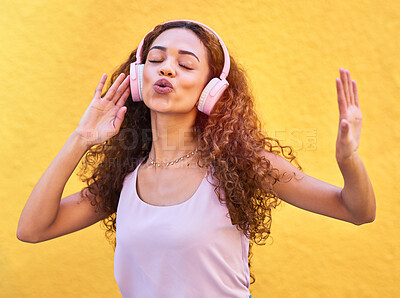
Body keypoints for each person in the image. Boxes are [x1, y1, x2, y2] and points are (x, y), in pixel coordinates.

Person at [17, 19, 376, 297]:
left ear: (211, 91)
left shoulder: (240, 163)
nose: (167, 69)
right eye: (156, 59)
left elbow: (357, 211)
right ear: (140, 79)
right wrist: (80, 139)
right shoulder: (125, 178)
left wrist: (349, 160)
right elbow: (33, 230)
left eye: (185, 65)